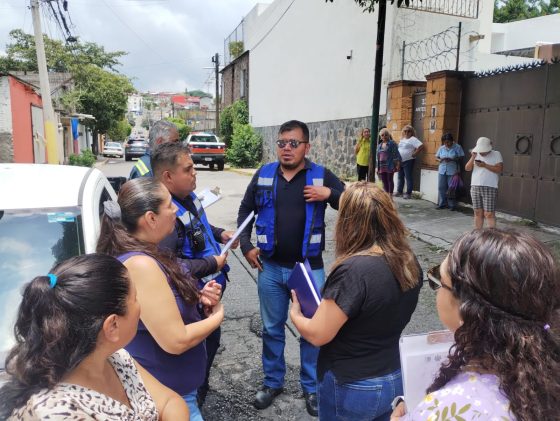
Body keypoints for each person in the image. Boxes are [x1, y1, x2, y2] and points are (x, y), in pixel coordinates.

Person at [391, 229, 560, 421]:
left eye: (438, 280)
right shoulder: (545, 370)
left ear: (468, 309)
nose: (436, 288)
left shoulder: (447, 409)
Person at [237, 120, 345, 416]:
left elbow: (353, 201)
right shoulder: (264, 174)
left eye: (293, 143)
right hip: (270, 268)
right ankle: (273, 382)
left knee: (312, 331)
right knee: (272, 329)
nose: (286, 148)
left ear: (306, 147)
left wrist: (329, 195)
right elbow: (246, 209)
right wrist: (246, 245)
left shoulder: (320, 176)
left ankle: (311, 388)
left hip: (308, 270)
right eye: (282, 143)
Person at [289, 182, 422, 421]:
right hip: (395, 375)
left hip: (353, 383)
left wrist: (296, 315)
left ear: (348, 222)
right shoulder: (408, 261)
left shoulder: (353, 271)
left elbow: (318, 334)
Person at [0, 254, 189, 420]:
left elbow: (171, 402)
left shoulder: (114, 357)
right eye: (135, 298)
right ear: (112, 326)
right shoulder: (54, 412)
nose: (139, 306)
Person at [96, 177, 224, 421]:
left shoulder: (148, 252)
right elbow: (175, 340)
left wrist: (199, 301)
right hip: (165, 398)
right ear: (151, 218)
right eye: (169, 205)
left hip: (173, 392)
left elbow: (159, 308)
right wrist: (217, 316)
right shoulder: (141, 265)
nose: (175, 209)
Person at [151, 141, 238, 407]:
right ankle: (192, 402)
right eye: (188, 169)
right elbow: (168, 267)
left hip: (208, 296)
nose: (195, 173)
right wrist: (212, 263)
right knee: (197, 355)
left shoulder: (187, 197)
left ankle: (199, 393)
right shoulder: (164, 216)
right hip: (192, 302)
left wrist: (220, 234)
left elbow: (199, 225)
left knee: (209, 348)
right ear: (168, 177)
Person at [464, 136, 503, 228]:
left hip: (490, 187)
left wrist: (485, 165)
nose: (481, 152)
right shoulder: (475, 154)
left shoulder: (496, 154)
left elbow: (499, 169)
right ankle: (478, 234)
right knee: (477, 212)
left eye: (483, 150)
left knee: (489, 213)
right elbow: (467, 168)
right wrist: (473, 157)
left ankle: (491, 234)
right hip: (475, 186)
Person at [435, 133, 464, 211]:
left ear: (452, 141)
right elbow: (436, 157)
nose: (446, 144)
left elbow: (461, 157)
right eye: (444, 142)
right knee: (441, 187)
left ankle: (452, 205)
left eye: (448, 142)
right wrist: (440, 160)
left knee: (451, 188)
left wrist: (452, 159)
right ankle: (442, 204)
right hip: (442, 170)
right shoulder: (441, 148)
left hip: (453, 170)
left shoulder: (457, 147)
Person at [395, 125, 423, 199]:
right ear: (403, 132)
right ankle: (399, 191)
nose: (407, 132)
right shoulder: (402, 139)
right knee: (400, 177)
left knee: (408, 177)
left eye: (409, 131)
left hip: (408, 160)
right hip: (400, 161)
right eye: (405, 131)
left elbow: (421, 146)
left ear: (412, 132)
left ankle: (408, 193)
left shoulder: (413, 139)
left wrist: (415, 153)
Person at [376, 128, 401, 194]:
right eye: (382, 135)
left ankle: (390, 195)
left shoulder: (392, 143)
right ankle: (386, 195)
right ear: (380, 137)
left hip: (390, 165)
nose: (384, 136)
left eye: (386, 135)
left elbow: (396, 154)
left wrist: (397, 164)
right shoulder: (379, 145)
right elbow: (377, 157)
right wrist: (377, 167)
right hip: (381, 166)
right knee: (384, 181)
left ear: (388, 135)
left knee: (390, 180)